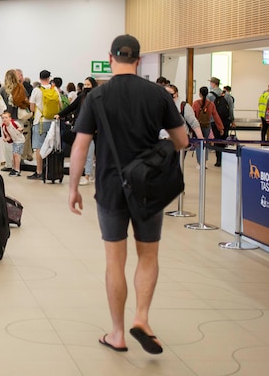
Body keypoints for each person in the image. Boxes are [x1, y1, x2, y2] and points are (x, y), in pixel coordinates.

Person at [67, 35, 187, 355]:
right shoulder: (158, 95)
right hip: (148, 186)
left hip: (109, 187)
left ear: (110, 58)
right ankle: (142, 318)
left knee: (114, 261)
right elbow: (182, 140)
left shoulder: (97, 96)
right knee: (148, 255)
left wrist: (74, 187)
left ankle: (118, 333)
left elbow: (80, 146)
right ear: (139, 59)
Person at [28, 70, 61, 180]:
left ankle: (39, 171)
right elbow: (60, 105)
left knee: (39, 146)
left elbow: (32, 108)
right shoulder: (54, 89)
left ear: (40, 78)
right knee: (52, 146)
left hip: (40, 121)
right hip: (52, 122)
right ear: (49, 77)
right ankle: (50, 171)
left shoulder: (36, 90)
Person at [192, 87, 222, 167]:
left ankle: (199, 163)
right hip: (207, 126)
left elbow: (192, 117)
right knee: (206, 144)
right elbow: (216, 116)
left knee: (199, 143)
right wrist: (220, 128)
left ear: (200, 93)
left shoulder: (196, 103)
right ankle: (204, 162)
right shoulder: (211, 104)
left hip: (198, 126)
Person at [0, 111, 25, 176]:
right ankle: (14, 168)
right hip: (15, 141)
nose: (4, 119)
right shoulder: (4, 127)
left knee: (16, 154)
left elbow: (21, 128)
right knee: (14, 155)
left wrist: (20, 129)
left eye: (6, 117)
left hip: (20, 140)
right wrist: (6, 139)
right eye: (3, 118)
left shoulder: (14, 123)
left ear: (10, 118)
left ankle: (17, 170)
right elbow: (8, 136)